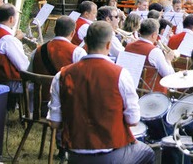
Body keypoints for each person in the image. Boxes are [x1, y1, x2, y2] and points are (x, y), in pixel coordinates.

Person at [47, 21, 155, 163]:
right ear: (109, 45)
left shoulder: (61, 75)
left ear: (85, 42)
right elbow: (133, 120)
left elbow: (54, 122)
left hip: (74, 153)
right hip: (110, 152)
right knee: (148, 153)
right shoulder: (121, 74)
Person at [0, 4, 29, 103]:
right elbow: (24, 67)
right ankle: (31, 113)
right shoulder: (8, 39)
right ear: (11, 19)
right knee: (43, 84)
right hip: (10, 83)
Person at [125, 18, 175, 94]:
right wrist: (168, 60)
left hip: (131, 89)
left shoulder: (128, 46)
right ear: (154, 35)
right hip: (151, 94)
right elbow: (169, 76)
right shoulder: (154, 51)